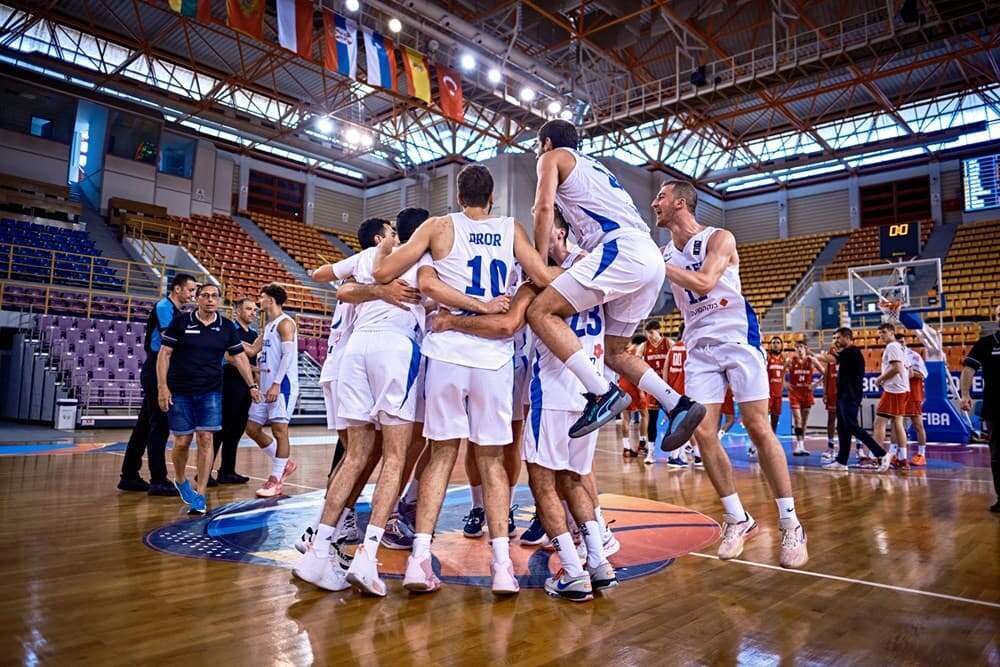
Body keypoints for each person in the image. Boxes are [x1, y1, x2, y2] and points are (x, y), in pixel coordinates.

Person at [370, 164, 551, 595]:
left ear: (457, 196)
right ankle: (502, 567)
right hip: (493, 358)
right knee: (492, 461)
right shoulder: (510, 229)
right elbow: (543, 278)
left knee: (441, 456)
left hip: (447, 353)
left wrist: (385, 249)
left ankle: (418, 560)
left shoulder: (438, 226)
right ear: (492, 199)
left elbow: (382, 273)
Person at [431, 212, 618, 601]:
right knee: (574, 478)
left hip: (554, 390)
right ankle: (599, 562)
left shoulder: (541, 283)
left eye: (540, 225)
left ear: (558, 233)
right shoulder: (595, 273)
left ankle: (573, 571)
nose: (533, 233)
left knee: (543, 482)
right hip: (594, 386)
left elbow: (508, 324)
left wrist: (451, 322)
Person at [655, 179, 808, 569]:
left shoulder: (719, 237)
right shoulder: (662, 252)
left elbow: (705, 281)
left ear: (680, 202)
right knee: (702, 431)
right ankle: (738, 518)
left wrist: (656, 265)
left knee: (757, 426)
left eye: (661, 196)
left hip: (737, 336)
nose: (655, 203)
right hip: (697, 345)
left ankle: (790, 523)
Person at [525, 119, 705, 447]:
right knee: (616, 351)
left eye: (540, 146)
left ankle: (601, 393)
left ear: (547, 143)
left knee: (540, 311)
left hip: (621, 249)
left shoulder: (552, 157)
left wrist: (538, 262)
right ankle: (677, 403)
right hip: (647, 255)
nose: (540, 152)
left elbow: (543, 207)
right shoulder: (592, 167)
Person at [294, 214, 431, 597]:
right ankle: (367, 556)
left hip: (355, 351)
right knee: (395, 457)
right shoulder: (426, 258)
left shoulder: (372, 255)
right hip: (395, 347)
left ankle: (319, 548)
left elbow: (336, 287)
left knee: (355, 455)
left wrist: (376, 288)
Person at [156, 284, 259, 514]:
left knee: (206, 439)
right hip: (180, 390)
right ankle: (180, 479)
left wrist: (251, 385)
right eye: (205, 295)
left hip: (211, 392)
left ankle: (200, 495)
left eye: (214, 296)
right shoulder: (181, 322)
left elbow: (240, 358)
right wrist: (163, 387)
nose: (210, 299)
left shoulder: (226, 326)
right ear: (197, 299)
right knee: (182, 442)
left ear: (219, 300)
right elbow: (164, 354)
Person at [118, 273, 196, 495]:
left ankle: (129, 475)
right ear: (177, 289)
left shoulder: (178, 311)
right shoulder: (164, 307)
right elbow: (170, 338)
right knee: (159, 426)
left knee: (144, 426)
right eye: (190, 290)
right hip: (156, 369)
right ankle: (158, 479)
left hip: (162, 369)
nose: (193, 294)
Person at [242, 284, 300, 497]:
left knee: (279, 431)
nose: (259, 301)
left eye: (262, 297)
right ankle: (284, 463)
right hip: (266, 385)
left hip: (282, 385)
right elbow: (251, 350)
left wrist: (276, 383)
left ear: (271, 300)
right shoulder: (268, 326)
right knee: (252, 428)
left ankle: (276, 480)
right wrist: (227, 337)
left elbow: (288, 357)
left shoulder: (285, 323)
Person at [822, 327, 891, 472]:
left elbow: (831, 359)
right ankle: (841, 461)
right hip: (843, 395)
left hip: (850, 396)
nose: (836, 340)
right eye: (834, 338)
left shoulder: (852, 352)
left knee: (852, 426)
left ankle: (882, 454)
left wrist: (811, 355)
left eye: (838, 337)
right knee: (842, 428)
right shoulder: (846, 352)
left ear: (847, 338)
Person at [211, 297, 258, 484]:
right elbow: (229, 356)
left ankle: (227, 471)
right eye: (249, 309)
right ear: (238, 310)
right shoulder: (230, 329)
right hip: (230, 381)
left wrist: (255, 381)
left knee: (237, 429)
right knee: (222, 429)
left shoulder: (254, 335)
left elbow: (253, 359)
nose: (253, 313)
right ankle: (205, 473)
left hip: (246, 385)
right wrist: (252, 369)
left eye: (254, 310)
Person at [960, 303, 1000, 513]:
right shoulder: (986, 343)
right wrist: (965, 394)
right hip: (995, 408)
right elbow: (968, 368)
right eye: (999, 314)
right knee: (997, 456)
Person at [662, 322, 700, 467]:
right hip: (687, 390)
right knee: (684, 426)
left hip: (673, 391)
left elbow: (665, 370)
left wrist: (665, 389)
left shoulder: (673, 348)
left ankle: (696, 455)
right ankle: (675, 456)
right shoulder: (691, 347)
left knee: (683, 424)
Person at [874, 322, 911, 470]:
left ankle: (879, 457)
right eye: (880, 334)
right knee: (897, 423)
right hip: (901, 389)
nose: (881, 336)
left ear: (891, 332)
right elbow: (907, 370)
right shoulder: (900, 347)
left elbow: (897, 368)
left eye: (883, 332)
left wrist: (880, 379)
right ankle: (902, 458)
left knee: (879, 423)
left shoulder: (892, 346)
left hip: (894, 390)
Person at [787, 341, 824, 457]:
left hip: (807, 393)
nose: (799, 349)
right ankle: (798, 445)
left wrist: (815, 384)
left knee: (804, 421)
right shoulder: (790, 361)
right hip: (795, 393)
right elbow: (779, 373)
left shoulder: (812, 360)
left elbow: (825, 373)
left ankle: (802, 445)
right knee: (797, 419)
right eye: (797, 347)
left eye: (801, 347)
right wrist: (785, 384)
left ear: (805, 348)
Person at [641, 320, 671, 464]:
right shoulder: (644, 346)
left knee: (674, 419)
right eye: (648, 334)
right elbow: (637, 363)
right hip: (652, 388)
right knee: (652, 420)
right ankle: (650, 452)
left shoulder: (668, 343)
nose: (650, 336)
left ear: (659, 330)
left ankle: (676, 452)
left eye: (652, 333)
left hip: (667, 388)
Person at [897, 333, 928, 467]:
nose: (901, 344)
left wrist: (907, 373)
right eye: (898, 342)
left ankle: (921, 454)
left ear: (906, 342)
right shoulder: (892, 355)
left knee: (917, 424)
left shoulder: (914, 356)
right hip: (898, 392)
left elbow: (922, 374)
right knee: (897, 424)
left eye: (902, 341)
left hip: (913, 393)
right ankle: (898, 454)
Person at [619, 336, 645, 458]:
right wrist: (641, 391)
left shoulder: (624, 351)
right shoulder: (637, 352)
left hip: (623, 384)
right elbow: (637, 372)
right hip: (634, 385)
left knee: (626, 418)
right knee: (645, 414)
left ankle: (626, 447)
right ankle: (642, 445)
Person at [820, 341, 839, 462]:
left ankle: (857, 448)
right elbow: (826, 374)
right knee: (831, 419)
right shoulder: (830, 353)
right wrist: (825, 392)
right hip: (832, 392)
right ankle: (830, 447)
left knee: (847, 421)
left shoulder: (848, 353)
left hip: (844, 393)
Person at [766, 336, 787, 434]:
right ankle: (759, 440)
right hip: (768, 393)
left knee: (775, 417)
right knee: (764, 418)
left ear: (781, 345)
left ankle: (773, 436)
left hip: (778, 393)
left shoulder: (783, 358)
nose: (775, 344)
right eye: (773, 342)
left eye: (778, 342)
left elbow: (783, 374)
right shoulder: (768, 357)